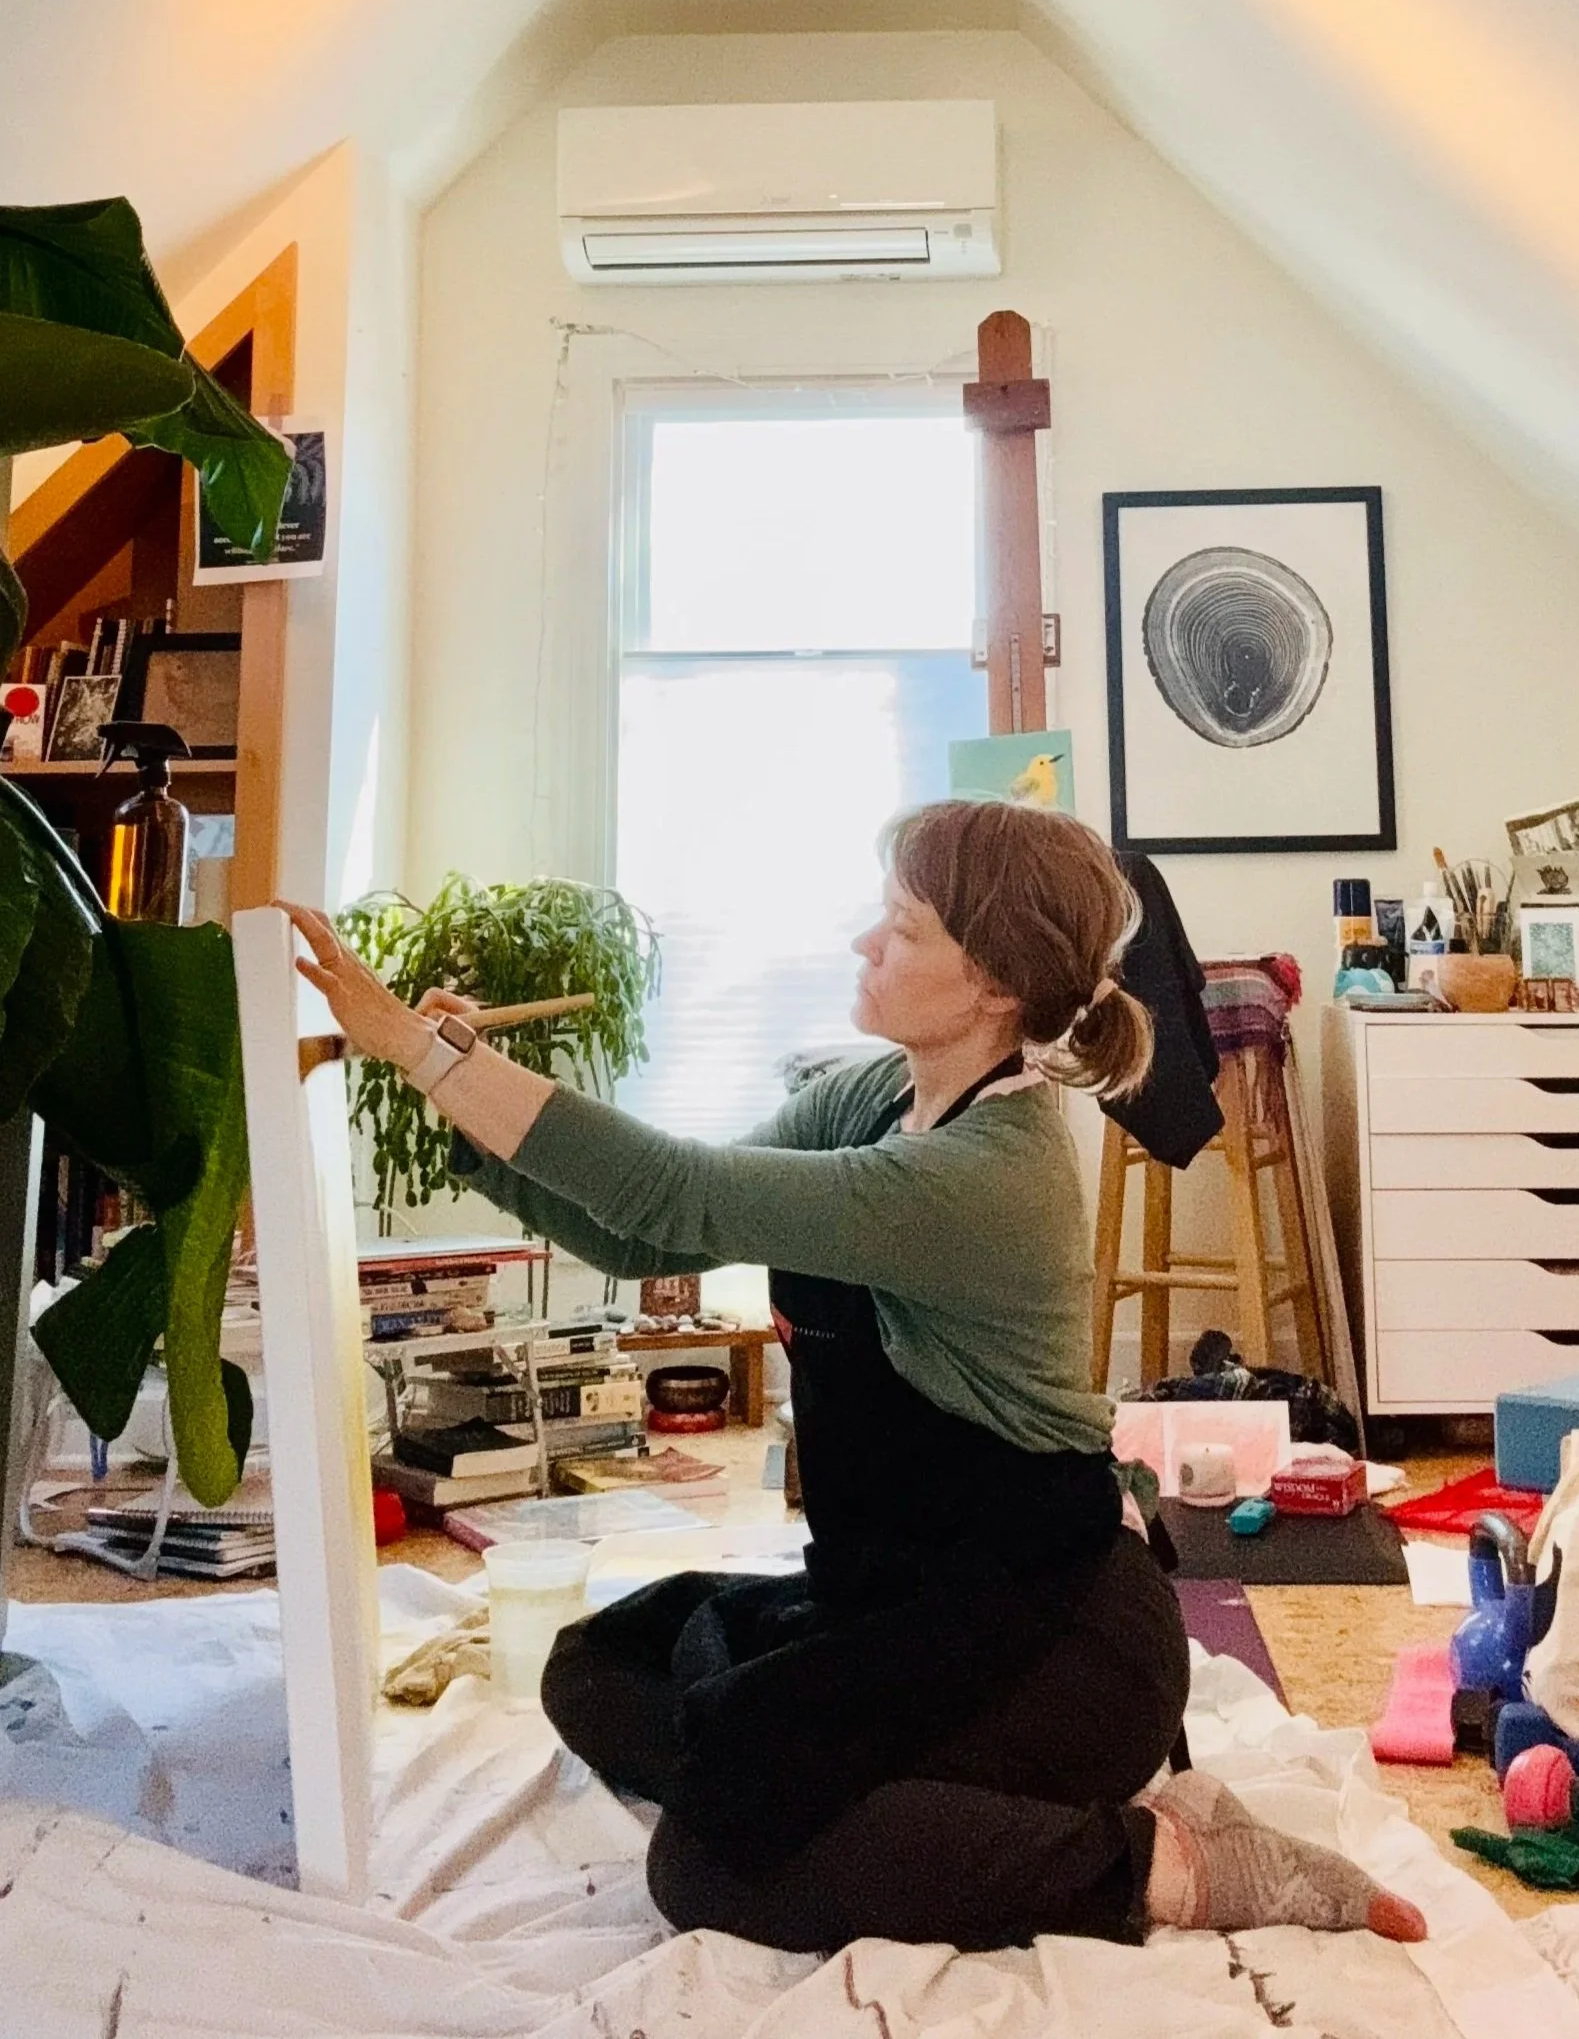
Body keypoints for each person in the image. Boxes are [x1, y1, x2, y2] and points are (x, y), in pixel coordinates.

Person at [283, 798, 1425, 1955]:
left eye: (902, 927)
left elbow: (675, 1191)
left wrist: (431, 1057)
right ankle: (875, 1794)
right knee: (597, 1667)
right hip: (886, 1597)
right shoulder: (871, 1098)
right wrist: (461, 1093)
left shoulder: (987, 1173)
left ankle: (1166, 1862)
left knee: (707, 1864)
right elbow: (644, 1235)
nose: (863, 943)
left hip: (1050, 1634)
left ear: (994, 983)